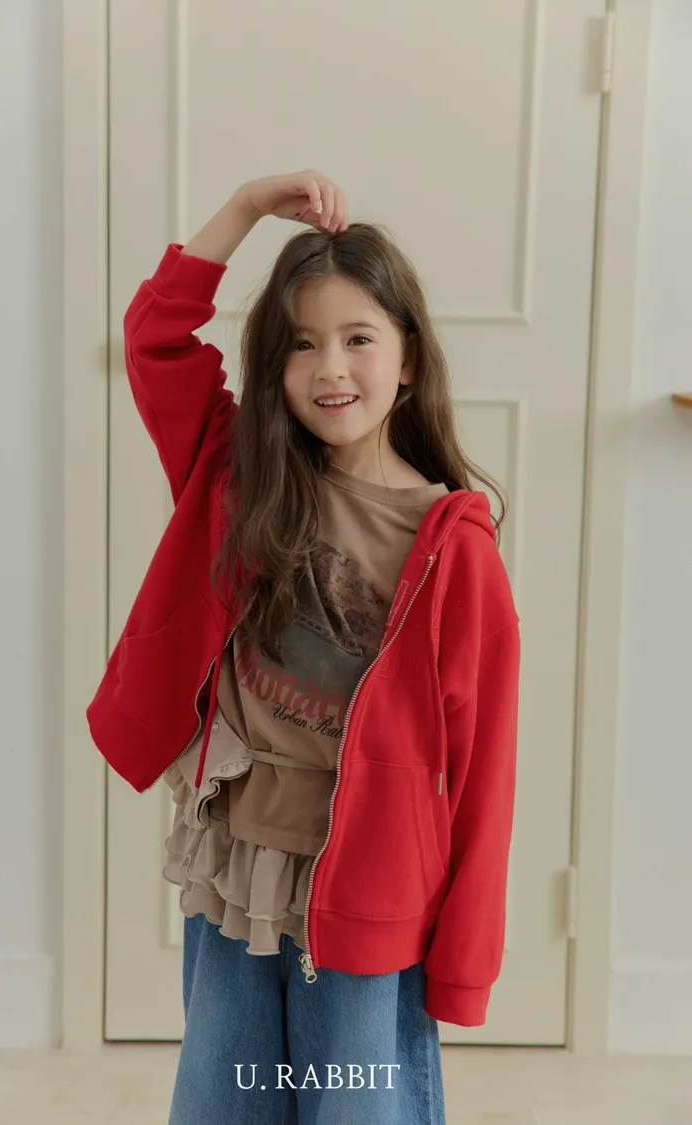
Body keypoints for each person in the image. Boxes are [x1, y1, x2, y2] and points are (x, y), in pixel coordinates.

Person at [87, 170, 520, 1125]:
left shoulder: (455, 549)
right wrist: (245, 208)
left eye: (359, 338)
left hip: (368, 888)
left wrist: (465, 962)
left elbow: (485, 770)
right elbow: (155, 339)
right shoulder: (236, 472)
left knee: (357, 1109)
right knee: (223, 1103)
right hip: (238, 864)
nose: (331, 368)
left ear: (408, 359)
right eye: (301, 343)